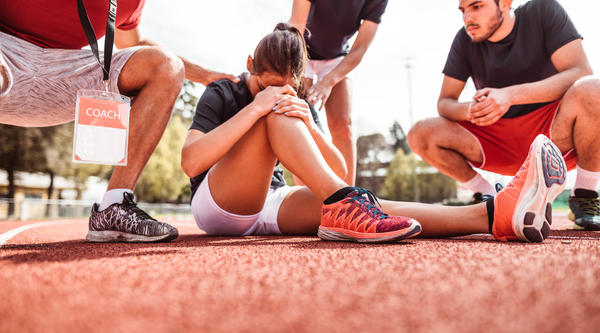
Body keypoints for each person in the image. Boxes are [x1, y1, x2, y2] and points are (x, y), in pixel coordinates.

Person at [181, 23, 567, 244]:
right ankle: (343, 207)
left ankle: (495, 213)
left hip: (275, 200)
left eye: (286, 87)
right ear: (250, 65)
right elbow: (191, 162)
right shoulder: (224, 91)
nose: (276, 93)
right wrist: (258, 107)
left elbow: (335, 175)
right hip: (219, 204)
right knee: (274, 119)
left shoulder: (296, 98)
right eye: (265, 85)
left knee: (368, 208)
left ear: (299, 80)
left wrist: (310, 128)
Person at [0, 0, 239, 242]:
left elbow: (135, 44)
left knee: (167, 66)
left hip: (68, 69)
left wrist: (204, 75)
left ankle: (113, 207)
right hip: (5, 50)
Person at [407, 0, 600, 231]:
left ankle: (584, 196)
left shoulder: (543, 11)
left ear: (505, 3)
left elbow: (580, 70)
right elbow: (445, 102)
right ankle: (487, 196)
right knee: (420, 132)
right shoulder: (464, 39)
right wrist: (472, 109)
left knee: (592, 89)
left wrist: (510, 95)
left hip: (552, 137)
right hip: (494, 140)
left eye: (476, 6)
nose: (467, 18)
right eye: (463, 10)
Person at [288, 0, 388, 186]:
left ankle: (349, 200)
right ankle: (304, 197)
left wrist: (328, 81)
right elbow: (296, 30)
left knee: (343, 124)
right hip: (301, 49)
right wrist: (299, 75)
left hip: (337, 58)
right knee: (300, 120)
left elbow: (360, 48)